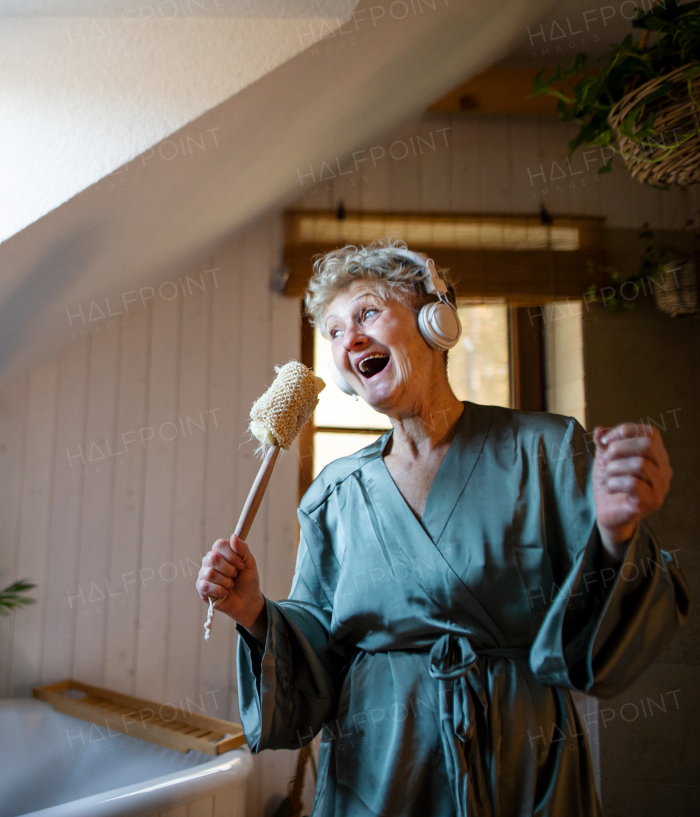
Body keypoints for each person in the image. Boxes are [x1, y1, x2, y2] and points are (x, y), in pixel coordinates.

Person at [196, 240, 688, 817]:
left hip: (519, 757)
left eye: (367, 314)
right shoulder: (335, 492)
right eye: (332, 331)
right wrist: (255, 611)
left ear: (435, 322)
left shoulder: (546, 450)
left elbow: (608, 627)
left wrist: (615, 533)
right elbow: (318, 651)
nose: (347, 338)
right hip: (378, 762)